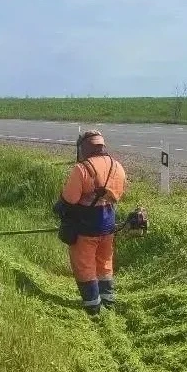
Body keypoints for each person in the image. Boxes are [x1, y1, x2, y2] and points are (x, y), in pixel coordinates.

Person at [54, 130, 127, 316]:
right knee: (105, 263)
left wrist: (58, 208)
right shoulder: (116, 166)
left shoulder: (82, 169)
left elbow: (70, 199)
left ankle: (93, 307)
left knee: (84, 265)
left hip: (85, 227)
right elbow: (118, 194)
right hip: (108, 224)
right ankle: (108, 301)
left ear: (83, 148)